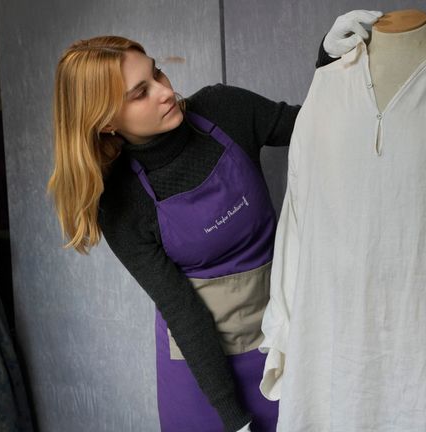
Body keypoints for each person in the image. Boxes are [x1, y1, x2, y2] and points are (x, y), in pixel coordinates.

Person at [47, 10, 381, 432]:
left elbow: (315, 131)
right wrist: (233, 418)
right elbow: (182, 311)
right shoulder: (122, 204)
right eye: (140, 93)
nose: (165, 92)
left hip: (282, 345)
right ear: (106, 121)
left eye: (158, 74)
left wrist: (329, 64)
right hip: (200, 373)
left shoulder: (224, 110)